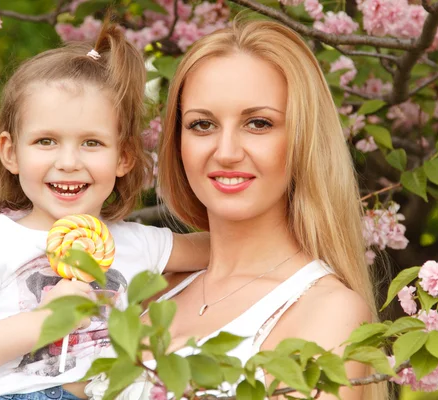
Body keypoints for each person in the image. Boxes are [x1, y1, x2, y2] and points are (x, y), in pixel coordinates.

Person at [0, 20, 209, 400]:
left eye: (91, 142)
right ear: (10, 152)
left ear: (125, 157)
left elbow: (236, 248)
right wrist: (42, 322)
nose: (68, 161)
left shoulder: (139, 244)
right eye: (46, 141)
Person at [151, 19, 385, 399]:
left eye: (258, 123)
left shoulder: (327, 311)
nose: (226, 152)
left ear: (303, 139)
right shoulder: (147, 286)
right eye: (202, 124)